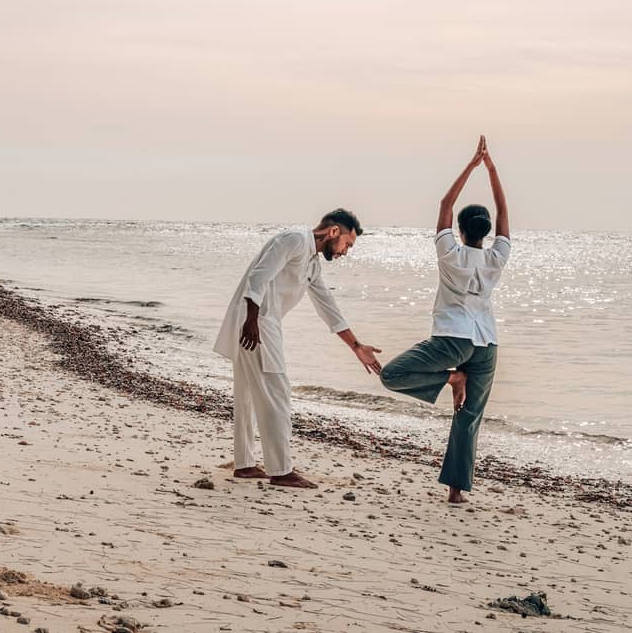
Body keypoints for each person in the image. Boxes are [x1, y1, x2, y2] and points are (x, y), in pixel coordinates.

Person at [379, 136, 512, 504]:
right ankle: (455, 492)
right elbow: (503, 213)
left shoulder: (449, 253)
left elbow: (445, 204)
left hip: (453, 339)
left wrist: (472, 165)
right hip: (487, 345)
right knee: (469, 418)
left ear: (461, 229)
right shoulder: (496, 258)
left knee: (392, 374)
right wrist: (492, 170)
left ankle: (452, 378)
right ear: (485, 231)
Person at [212, 209, 383, 489]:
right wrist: (251, 321)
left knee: (246, 395)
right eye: (347, 245)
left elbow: (328, 307)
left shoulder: (312, 263)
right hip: (257, 323)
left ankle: (244, 465)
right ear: (334, 232)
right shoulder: (293, 240)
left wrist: (356, 346)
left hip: (258, 321)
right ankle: (281, 471)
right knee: (278, 393)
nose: (345, 252)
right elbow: (259, 276)